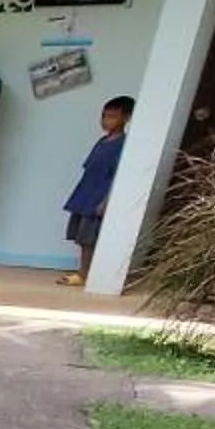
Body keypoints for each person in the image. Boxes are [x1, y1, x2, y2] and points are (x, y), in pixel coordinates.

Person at [60, 95, 134, 286]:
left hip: (99, 197)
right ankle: (83, 272)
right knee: (82, 238)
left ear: (125, 118)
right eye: (105, 116)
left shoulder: (124, 145)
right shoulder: (102, 142)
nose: (107, 121)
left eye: (113, 116)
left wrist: (106, 200)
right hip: (86, 195)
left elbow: (118, 176)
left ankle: (84, 274)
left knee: (89, 239)